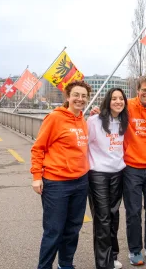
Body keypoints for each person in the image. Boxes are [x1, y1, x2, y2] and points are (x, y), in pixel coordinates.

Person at [92, 75, 146, 265]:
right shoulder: (128, 105)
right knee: (133, 212)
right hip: (131, 168)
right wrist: (98, 112)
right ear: (138, 90)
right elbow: (111, 111)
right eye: (144, 89)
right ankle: (135, 251)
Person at [30, 80, 92, 269]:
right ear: (68, 97)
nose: (80, 99)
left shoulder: (82, 119)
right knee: (54, 230)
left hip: (80, 182)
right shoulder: (55, 118)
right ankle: (45, 266)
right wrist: (36, 176)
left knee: (73, 229)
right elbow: (38, 148)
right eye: (76, 95)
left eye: (83, 96)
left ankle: (65, 264)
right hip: (57, 183)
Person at [87, 88, 128, 269]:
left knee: (113, 215)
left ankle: (112, 255)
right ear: (107, 101)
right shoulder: (94, 121)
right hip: (98, 174)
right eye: (114, 99)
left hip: (117, 173)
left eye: (121, 98)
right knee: (102, 217)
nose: (118, 101)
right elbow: (83, 144)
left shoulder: (124, 121)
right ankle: (103, 264)